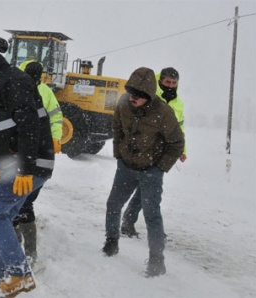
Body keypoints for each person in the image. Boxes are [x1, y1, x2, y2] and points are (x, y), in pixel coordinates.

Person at [0, 37, 54, 296]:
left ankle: (20, 274)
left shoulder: (12, 80)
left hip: (30, 164)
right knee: (4, 214)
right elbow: (0, 129)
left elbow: (29, 127)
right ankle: (5, 276)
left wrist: (27, 169)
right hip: (19, 163)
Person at [102, 67, 184, 277]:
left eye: (138, 96)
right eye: (131, 93)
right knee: (113, 204)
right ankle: (111, 241)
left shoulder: (164, 113)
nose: (133, 98)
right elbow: (117, 127)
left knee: (152, 215)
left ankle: (157, 261)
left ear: (149, 95)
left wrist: (160, 168)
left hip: (151, 171)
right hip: (126, 168)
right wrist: (119, 154)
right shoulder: (124, 104)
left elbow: (176, 143)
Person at [120, 67, 186, 237]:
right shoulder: (149, 96)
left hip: (163, 153)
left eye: (174, 83)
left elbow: (180, 128)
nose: (171, 85)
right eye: (167, 82)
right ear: (160, 81)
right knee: (149, 191)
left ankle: (130, 221)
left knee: (147, 190)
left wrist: (182, 149)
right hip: (145, 149)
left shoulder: (178, 103)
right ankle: (146, 228)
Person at [13, 61, 63, 268]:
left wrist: (56, 138)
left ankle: (20, 252)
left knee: (18, 203)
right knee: (22, 203)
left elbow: (56, 117)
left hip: (34, 157)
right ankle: (24, 252)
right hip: (35, 158)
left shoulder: (34, 92)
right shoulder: (27, 91)